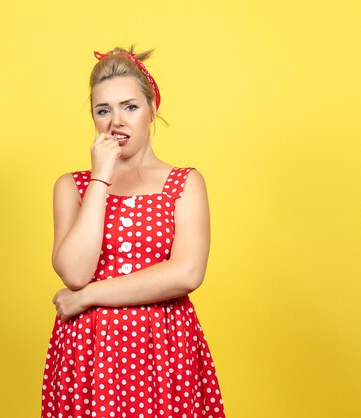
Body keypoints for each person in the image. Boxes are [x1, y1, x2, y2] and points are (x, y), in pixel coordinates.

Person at [40, 45, 226, 418]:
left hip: (163, 347)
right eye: (103, 111)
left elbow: (186, 273)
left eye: (130, 107)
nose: (116, 122)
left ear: (152, 110)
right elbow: (74, 271)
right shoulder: (72, 186)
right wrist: (101, 177)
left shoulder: (184, 183)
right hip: (88, 353)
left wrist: (87, 297)